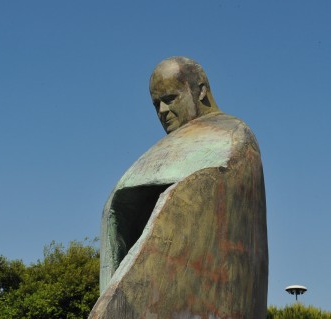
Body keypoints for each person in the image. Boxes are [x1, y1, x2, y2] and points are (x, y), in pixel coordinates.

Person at [90, 57, 268, 319]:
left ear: (201, 90)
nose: (162, 110)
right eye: (155, 104)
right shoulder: (162, 152)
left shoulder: (233, 136)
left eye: (170, 98)